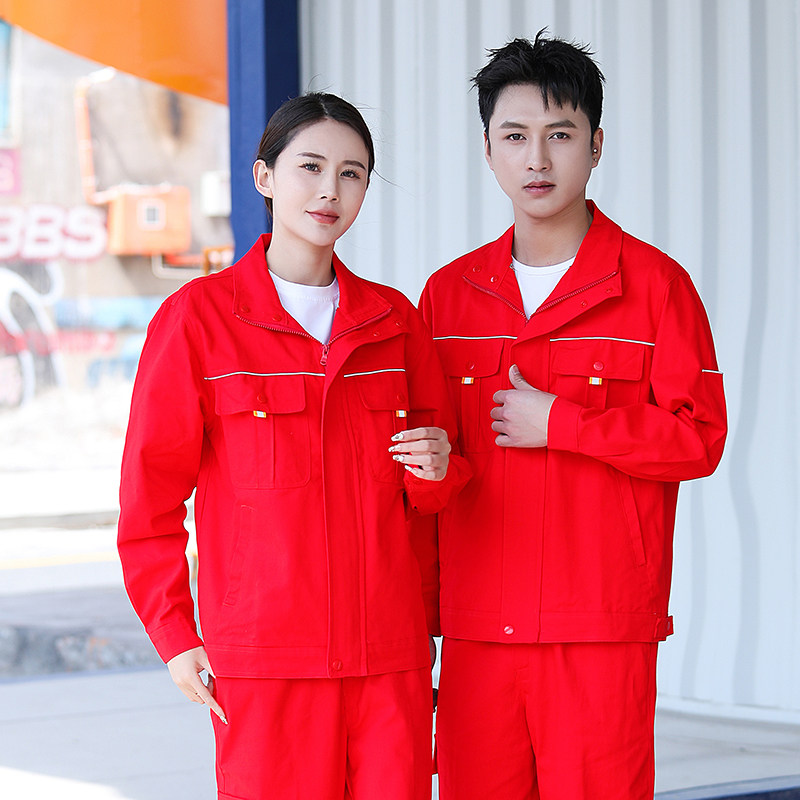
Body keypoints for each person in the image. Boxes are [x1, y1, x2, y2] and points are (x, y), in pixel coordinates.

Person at [118, 92, 468, 800]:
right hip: (264, 662)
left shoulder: (395, 323)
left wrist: (439, 469)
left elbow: (434, 492)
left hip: (387, 659)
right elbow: (149, 501)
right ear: (265, 176)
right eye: (310, 167)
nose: (329, 190)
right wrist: (176, 635)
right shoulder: (198, 321)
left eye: (351, 173)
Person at [419, 33, 727, 800]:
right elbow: (433, 472)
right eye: (514, 136)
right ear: (487, 150)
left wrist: (566, 424)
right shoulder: (449, 297)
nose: (537, 159)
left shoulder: (655, 287)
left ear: (595, 145)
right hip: (479, 630)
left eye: (559, 135)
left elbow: (698, 440)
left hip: (599, 631)